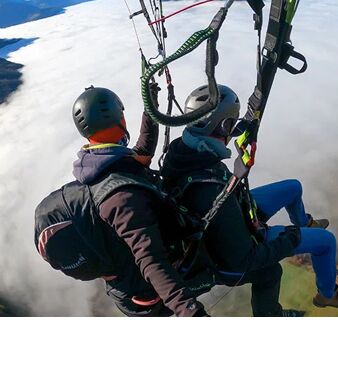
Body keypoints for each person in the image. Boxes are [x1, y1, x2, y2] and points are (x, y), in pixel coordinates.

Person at [160, 84, 338, 312]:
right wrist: (291, 239)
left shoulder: (186, 148)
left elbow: (219, 193)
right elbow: (243, 259)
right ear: (221, 125)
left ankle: (304, 222)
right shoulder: (210, 194)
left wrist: (246, 127)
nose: (232, 129)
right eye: (231, 123)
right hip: (231, 247)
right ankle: (327, 294)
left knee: (293, 187)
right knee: (326, 241)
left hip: (233, 210)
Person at [34, 84, 211, 317]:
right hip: (149, 297)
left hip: (128, 291)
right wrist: (189, 311)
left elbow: (142, 153)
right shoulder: (121, 197)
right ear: (120, 119)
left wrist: (151, 109)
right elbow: (152, 260)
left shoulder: (97, 165)